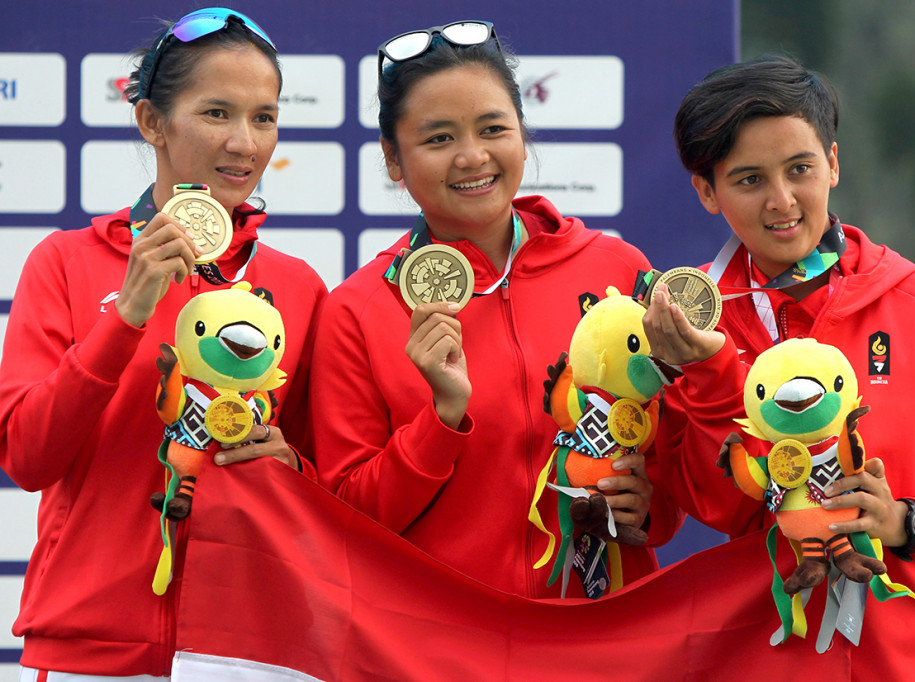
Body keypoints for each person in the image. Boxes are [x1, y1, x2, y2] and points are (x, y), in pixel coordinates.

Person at [642, 54, 915, 679]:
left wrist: (911, 520)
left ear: (834, 164)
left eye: (800, 169)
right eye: (748, 180)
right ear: (706, 191)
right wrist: (712, 379)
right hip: (782, 658)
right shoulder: (695, 332)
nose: (782, 201)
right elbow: (723, 512)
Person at [0, 8, 326, 678]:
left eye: (263, 117)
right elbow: (29, 457)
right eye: (217, 113)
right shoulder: (65, 262)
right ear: (152, 122)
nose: (245, 142)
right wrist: (125, 316)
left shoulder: (298, 287)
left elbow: (332, 487)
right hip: (97, 647)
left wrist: (292, 468)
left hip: (251, 648)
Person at [311, 20, 682, 598]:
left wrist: (648, 502)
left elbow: (671, 456)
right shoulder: (358, 310)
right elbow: (346, 518)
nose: (472, 156)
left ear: (522, 132)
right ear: (392, 157)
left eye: (493, 128)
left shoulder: (616, 270)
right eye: (438, 139)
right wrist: (442, 419)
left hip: (600, 634)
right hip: (439, 643)